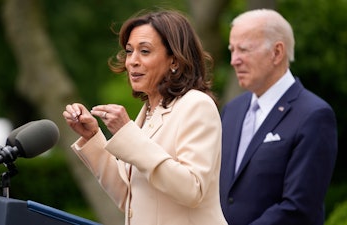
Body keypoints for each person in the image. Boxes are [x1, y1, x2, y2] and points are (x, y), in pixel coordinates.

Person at [63, 9, 228, 225]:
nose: (132, 61)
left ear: (175, 61)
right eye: (130, 51)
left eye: (145, 51)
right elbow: (128, 197)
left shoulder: (197, 105)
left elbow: (192, 190)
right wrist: (93, 137)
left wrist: (128, 133)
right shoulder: (148, 111)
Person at [219, 9, 338, 225]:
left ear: (277, 52)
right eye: (232, 50)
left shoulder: (314, 115)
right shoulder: (232, 111)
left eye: (243, 49)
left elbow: (299, 208)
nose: (234, 60)